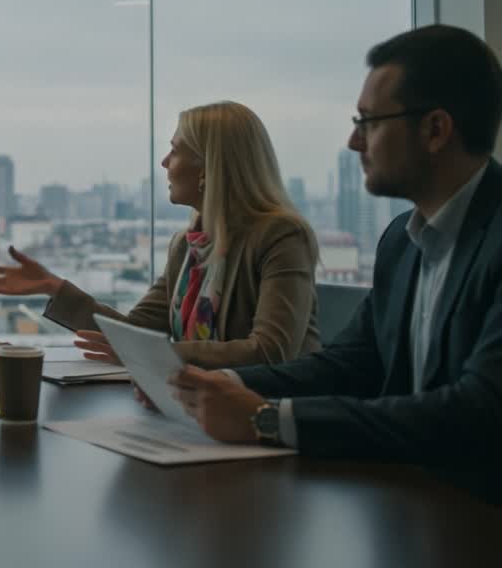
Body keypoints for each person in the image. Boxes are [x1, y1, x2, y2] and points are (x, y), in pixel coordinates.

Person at [168, 26, 502, 497]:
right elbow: (351, 364)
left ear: (435, 130)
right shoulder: (401, 242)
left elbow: (478, 412)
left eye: (368, 121)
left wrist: (267, 419)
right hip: (410, 505)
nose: (353, 142)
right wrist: (220, 382)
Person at [0, 101, 320, 369]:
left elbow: (270, 351)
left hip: (262, 414)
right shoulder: (187, 246)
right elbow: (136, 334)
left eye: (175, 151)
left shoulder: (281, 236)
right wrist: (53, 287)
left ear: (208, 167)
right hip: (196, 409)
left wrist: (161, 355)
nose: (164, 162)